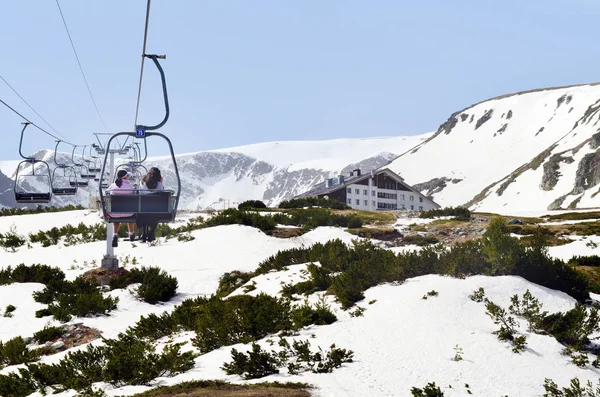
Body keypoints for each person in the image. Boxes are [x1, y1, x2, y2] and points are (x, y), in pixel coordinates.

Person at [107, 169, 136, 247]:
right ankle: (131, 233)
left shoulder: (112, 186)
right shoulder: (130, 187)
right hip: (128, 213)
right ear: (125, 177)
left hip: (114, 213)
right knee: (130, 211)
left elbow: (108, 194)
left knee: (117, 215)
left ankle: (115, 235)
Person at [137, 167, 164, 242]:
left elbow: (139, 193)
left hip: (143, 209)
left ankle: (144, 233)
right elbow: (162, 194)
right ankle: (151, 231)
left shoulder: (142, 182)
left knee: (144, 212)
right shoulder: (158, 184)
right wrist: (161, 183)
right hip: (155, 210)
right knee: (154, 213)